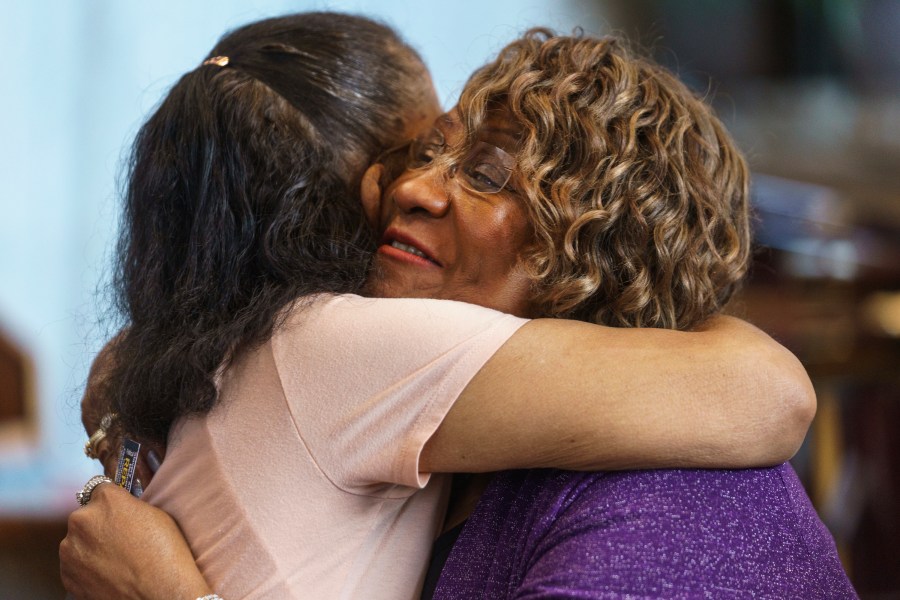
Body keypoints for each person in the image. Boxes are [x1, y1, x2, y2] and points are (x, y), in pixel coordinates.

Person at [61, 14, 816, 600]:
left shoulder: (663, 509)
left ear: (600, 250)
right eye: (428, 154)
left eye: (485, 174)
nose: (409, 189)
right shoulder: (368, 371)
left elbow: (776, 395)